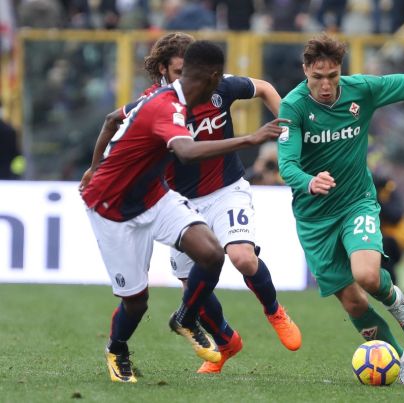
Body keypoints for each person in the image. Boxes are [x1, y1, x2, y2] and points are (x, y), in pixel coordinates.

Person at [81, 32, 301, 376]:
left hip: (204, 191)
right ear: (164, 70)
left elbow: (264, 89)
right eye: (179, 71)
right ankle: (214, 342)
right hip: (128, 204)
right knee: (146, 298)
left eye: (191, 71)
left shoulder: (217, 88)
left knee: (230, 256)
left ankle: (261, 312)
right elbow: (131, 128)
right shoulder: (158, 103)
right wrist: (94, 169)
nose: (187, 78)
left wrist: (291, 136)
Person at [277, 33, 404, 386]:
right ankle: (401, 360)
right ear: (305, 70)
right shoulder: (293, 107)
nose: (325, 86)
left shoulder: (361, 90)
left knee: (368, 276)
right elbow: (287, 164)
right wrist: (309, 181)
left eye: (332, 76)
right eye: (318, 77)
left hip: (356, 201)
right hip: (314, 218)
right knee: (353, 303)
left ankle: (394, 298)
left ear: (340, 71)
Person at [373, 174, 404, 284]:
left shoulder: (390, 193)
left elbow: (395, 216)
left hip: (397, 242)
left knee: (385, 244)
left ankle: (391, 284)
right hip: (379, 238)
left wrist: (377, 200)